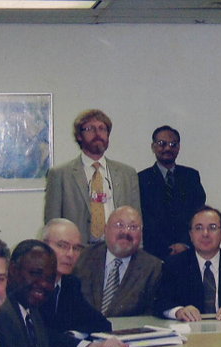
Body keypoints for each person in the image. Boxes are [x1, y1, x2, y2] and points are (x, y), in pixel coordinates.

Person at [44, 109, 141, 245]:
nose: (98, 134)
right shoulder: (60, 174)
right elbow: (52, 225)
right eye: (90, 129)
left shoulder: (127, 174)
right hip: (78, 252)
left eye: (102, 129)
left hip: (118, 249)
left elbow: (137, 221)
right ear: (79, 135)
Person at [153, 206, 221, 321]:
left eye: (212, 227)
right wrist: (178, 311)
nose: (205, 234)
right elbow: (160, 303)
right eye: (198, 228)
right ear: (190, 234)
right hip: (189, 333)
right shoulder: (174, 265)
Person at [38, 219, 113, 347]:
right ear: (43, 246)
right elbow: (37, 334)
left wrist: (73, 335)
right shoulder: (31, 286)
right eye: (62, 246)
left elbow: (100, 323)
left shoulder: (70, 283)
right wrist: (84, 346)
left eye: (76, 248)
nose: (70, 254)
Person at [74, 206, 163, 317]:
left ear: (141, 233)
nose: (126, 231)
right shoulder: (83, 258)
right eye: (119, 225)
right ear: (105, 229)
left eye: (133, 227)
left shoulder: (153, 268)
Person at [137, 126, 206, 261]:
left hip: (187, 251)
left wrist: (185, 244)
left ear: (179, 147)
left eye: (173, 144)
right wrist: (167, 249)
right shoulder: (141, 179)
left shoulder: (191, 176)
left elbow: (198, 213)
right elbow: (144, 217)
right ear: (153, 147)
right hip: (153, 254)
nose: (168, 148)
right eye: (162, 144)